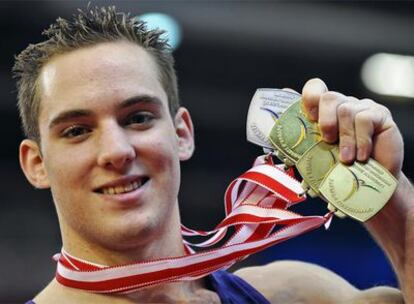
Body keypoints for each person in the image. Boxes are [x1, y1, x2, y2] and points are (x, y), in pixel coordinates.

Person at [13, 5, 413, 304]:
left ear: (182, 133)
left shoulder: (296, 294)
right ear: (37, 163)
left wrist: (393, 204)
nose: (116, 151)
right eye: (77, 131)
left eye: (137, 118)